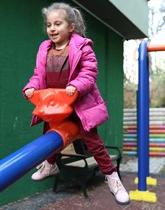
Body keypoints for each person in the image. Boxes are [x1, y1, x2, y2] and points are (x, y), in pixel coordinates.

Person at [22, 2, 130, 205]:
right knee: (49, 136)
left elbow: (89, 72)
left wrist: (76, 85)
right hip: (54, 105)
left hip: (79, 105)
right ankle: (50, 165)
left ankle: (113, 179)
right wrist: (31, 87)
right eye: (49, 25)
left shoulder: (82, 46)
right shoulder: (45, 49)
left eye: (58, 24)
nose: (52, 29)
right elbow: (39, 75)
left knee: (94, 143)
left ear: (70, 26)